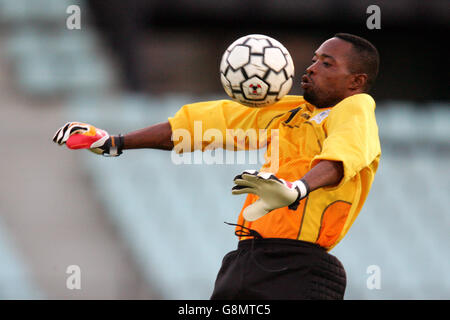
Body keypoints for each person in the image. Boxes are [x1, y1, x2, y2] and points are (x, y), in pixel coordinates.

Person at [53, 33, 381, 300]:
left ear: (356, 81)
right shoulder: (291, 112)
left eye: (326, 63)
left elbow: (341, 160)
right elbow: (201, 126)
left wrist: (296, 190)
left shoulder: (356, 108)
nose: (310, 68)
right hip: (247, 260)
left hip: (298, 267)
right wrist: (115, 142)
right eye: (313, 59)